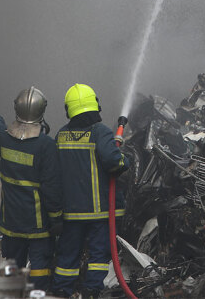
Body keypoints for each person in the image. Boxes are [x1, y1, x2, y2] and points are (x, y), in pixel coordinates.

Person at [51, 83, 126, 299]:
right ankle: (92, 292)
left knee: (67, 256)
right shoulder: (100, 131)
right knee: (98, 257)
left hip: (71, 213)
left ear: (69, 109)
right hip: (99, 213)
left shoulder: (61, 135)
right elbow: (114, 162)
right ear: (95, 104)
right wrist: (124, 159)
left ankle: (61, 291)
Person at [0, 86, 62, 291]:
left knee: (12, 270)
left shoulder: (3, 139)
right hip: (37, 226)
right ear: (41, 111)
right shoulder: (46, 146)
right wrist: (56, 219)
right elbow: (51, 188)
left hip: (10, 223)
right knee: (39, 271)